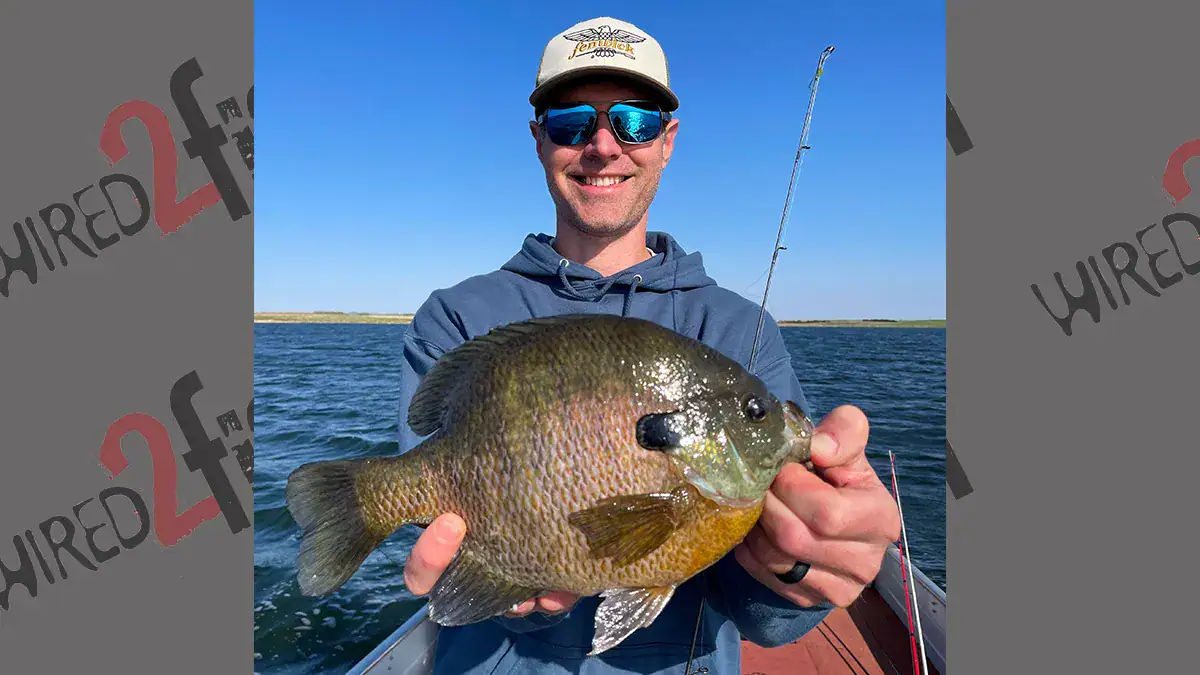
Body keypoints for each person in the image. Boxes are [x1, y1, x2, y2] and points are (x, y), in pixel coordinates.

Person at [394, 16, 901, 675]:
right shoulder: (457, 317)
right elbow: (440, 527)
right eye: (571, 121)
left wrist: (800, 564)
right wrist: (499, 569)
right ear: (538, 138)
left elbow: (767, 619)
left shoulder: (739, 333)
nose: (603, 145)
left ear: (668, 139)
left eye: (634, 121)